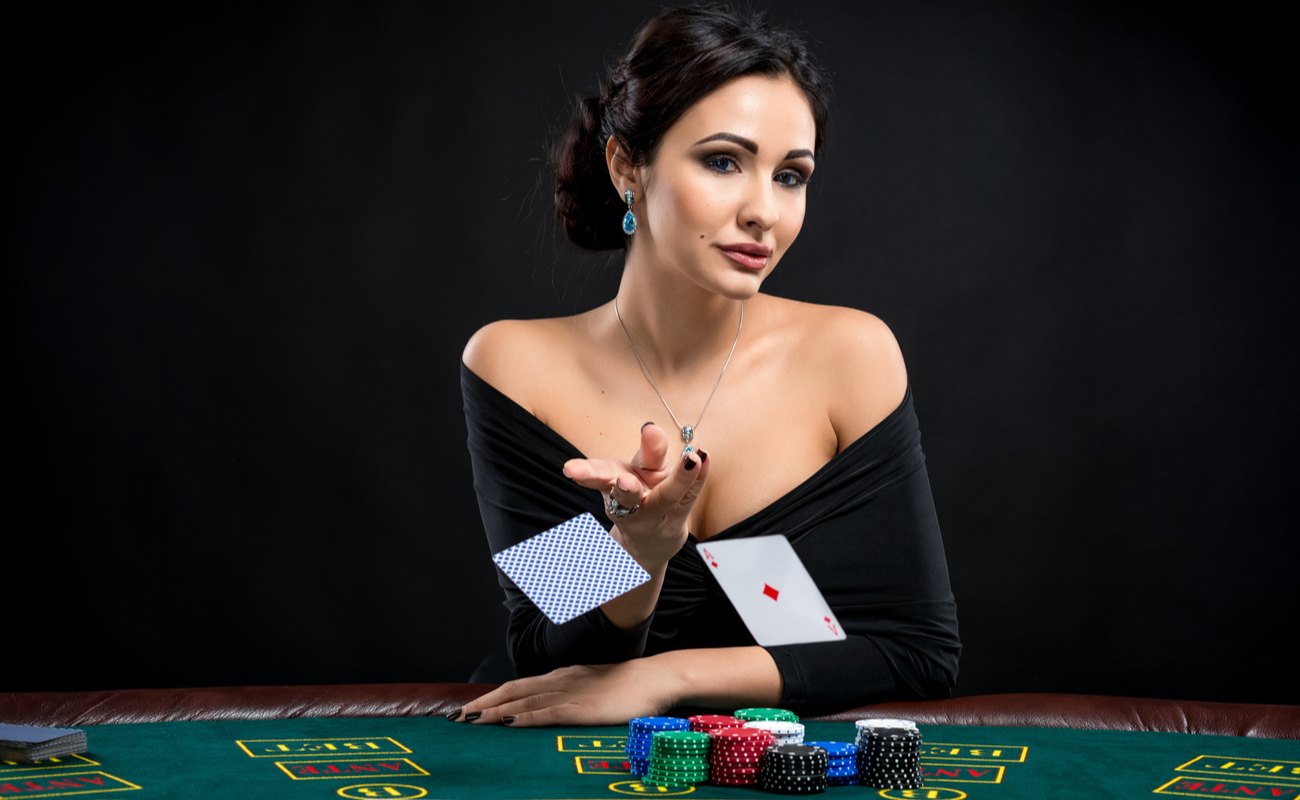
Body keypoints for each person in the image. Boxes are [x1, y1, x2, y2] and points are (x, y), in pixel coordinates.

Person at [453, 3, 959, 727]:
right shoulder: (517, 366)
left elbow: (916, 653)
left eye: (791, 175)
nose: (764, 211)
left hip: (781, 759)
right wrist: (641, 554)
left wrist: (669, 680)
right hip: (561, 754)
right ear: (628, 162)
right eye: (723, 161)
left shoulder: (851, 355)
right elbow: (545, 653)